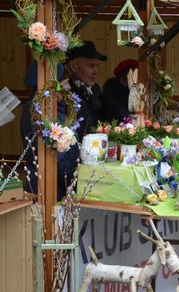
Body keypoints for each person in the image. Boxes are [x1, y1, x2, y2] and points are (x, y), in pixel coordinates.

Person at [64, 40, 107, 191]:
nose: (96, 71)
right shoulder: (64, 92)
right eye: (91, 65)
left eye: (97, 66)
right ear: (74, 66)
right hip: (71, 168)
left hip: (93, 162)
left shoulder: (95, 90)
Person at [20, 61, 68, 196]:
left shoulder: (41, 107)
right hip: (47, 183)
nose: (67, 87)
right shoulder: (42, 111)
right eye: (63, 83)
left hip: (43, 179)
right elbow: (53, 154)